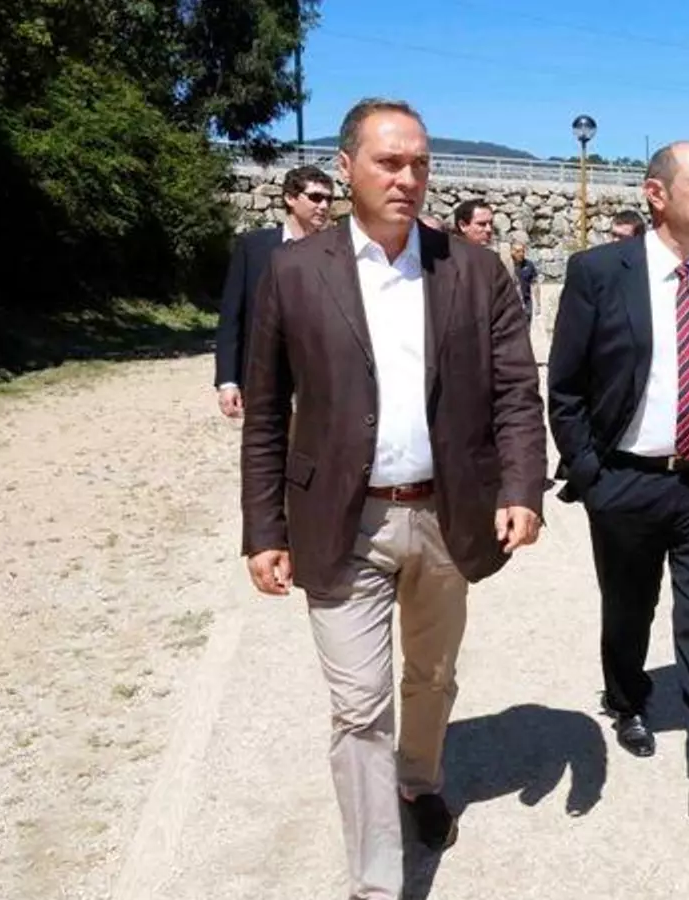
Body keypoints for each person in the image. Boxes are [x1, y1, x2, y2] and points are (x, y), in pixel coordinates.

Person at [240, 98, 546, 899]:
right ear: (346, 168)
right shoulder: (295, 272)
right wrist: (263, 529)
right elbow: (266, 411)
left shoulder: (473, 269)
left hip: (446, 515)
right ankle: (377, 885)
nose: (408, 178)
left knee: (432, 674)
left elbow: (516, 391)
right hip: (342, 521)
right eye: (389, 162)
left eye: (419, 163)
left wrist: (522, 486)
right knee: (358, 707)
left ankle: (418, 778)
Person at [548, 141, 689, 841]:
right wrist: (592, 476)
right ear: (656, 194)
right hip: (628, 482)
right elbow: (565, 388)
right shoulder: (599, 272)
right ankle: (626, 696)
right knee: (629, 610)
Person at [213, 164, 333, 417]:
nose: (323, 206)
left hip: (319, 383)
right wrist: (227, 381)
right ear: (290, 198)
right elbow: (232, 317)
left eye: (328, 199)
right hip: (263, 378)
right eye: (315, 197)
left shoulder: (337, 253)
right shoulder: (252, 247)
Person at [510, 242, 538, 319]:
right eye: (518, 251)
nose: (521, 254)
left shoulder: (529, 265)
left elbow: (535, 283)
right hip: (511, 304)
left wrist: (538, 304)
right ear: (512, 252)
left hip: (526, 303)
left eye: (523, 251)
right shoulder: (507, 265)